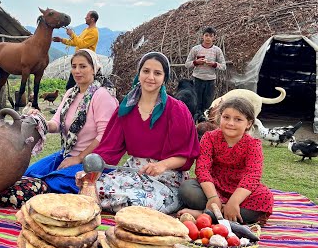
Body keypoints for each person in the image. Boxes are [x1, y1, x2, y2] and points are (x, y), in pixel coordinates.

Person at [91, 51, 200, 214]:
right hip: (134, 172)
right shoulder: (126, 108)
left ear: (164, 78)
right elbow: (109, 148)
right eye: (146, 71)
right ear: (139, 74)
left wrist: (162, 165)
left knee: (138, 205)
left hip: (166, 177)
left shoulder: (177, 110)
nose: (151, 77)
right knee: (94, 190)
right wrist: (92, 173)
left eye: (157, 73)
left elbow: (185, 155)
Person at [23, 48, 118, 194]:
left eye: (83, 66)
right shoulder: (70, 94)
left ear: (94, 69)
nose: (77, 71)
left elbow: (104, 135)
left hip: (92, 161)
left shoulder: (102, 96)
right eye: (74, 66)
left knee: (51, 185)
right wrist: (40, 121)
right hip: (67, 154)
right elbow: (56, 124)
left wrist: (79, 158)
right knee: (27, 175)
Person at [177, 97, 274, 225]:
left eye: (238, 119)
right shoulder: (209, 137)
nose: (230, 123)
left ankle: (206, 214)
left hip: (240, 190)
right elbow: (202, 169)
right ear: (220, 117)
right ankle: (220, 213)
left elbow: (253, 175)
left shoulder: (253, 144)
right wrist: (212, 197)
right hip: (213, 186)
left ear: (249, 123)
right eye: (226, 117)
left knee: (265, 197)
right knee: (187, 188)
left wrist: (234, 202)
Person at [184, 26, 226, 119]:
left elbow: (223, 66)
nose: (208, 38)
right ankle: (194, 124)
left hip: (210, 81)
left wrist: (214, 64)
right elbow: (187, 64)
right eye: (206, 35)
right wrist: (196, 62)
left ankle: (206, 125)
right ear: (202, 36)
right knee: (196, 103)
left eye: (211, 36)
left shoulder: (217, 50)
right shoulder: (196, 49)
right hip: (197, 80)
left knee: (208, 104)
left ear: (214, 38)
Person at [52, 10, 99, 90]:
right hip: (79, 61)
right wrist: (61, 40)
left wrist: (72, 34)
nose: (85, 18)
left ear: (92, 19)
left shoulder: (94, 32)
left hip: (85, 61)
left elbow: (81, 44)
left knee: (71, 86)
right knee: (73, 86)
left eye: (87, 17)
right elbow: (76, 42)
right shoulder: (86, 30)